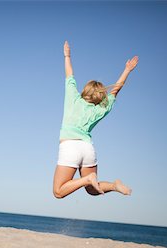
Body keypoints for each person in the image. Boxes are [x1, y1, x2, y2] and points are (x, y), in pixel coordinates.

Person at [52, 41, 138, 199]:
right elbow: (115, 90)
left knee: (58, 191)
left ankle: (86, 179)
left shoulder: (73, 98)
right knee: (92, 189)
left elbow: (69, 74)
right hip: (88, 149)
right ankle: (114, 185)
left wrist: (67, 55)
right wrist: (127, 70)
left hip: (70, 146)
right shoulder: (100, 110)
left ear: (86, 89)